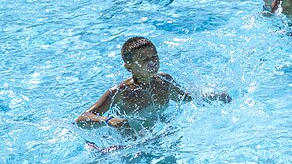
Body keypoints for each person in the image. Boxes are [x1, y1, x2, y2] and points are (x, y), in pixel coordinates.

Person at [76, 36, 228, 134]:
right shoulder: (120, 92)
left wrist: (213, 97)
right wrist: (109, 121)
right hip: (130, 143)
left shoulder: (165, 82)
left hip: (160, 134)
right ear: (129, 67)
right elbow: (82, 118)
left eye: (154, 56)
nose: (152, 62)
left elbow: (187, 98)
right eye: (144, 59)